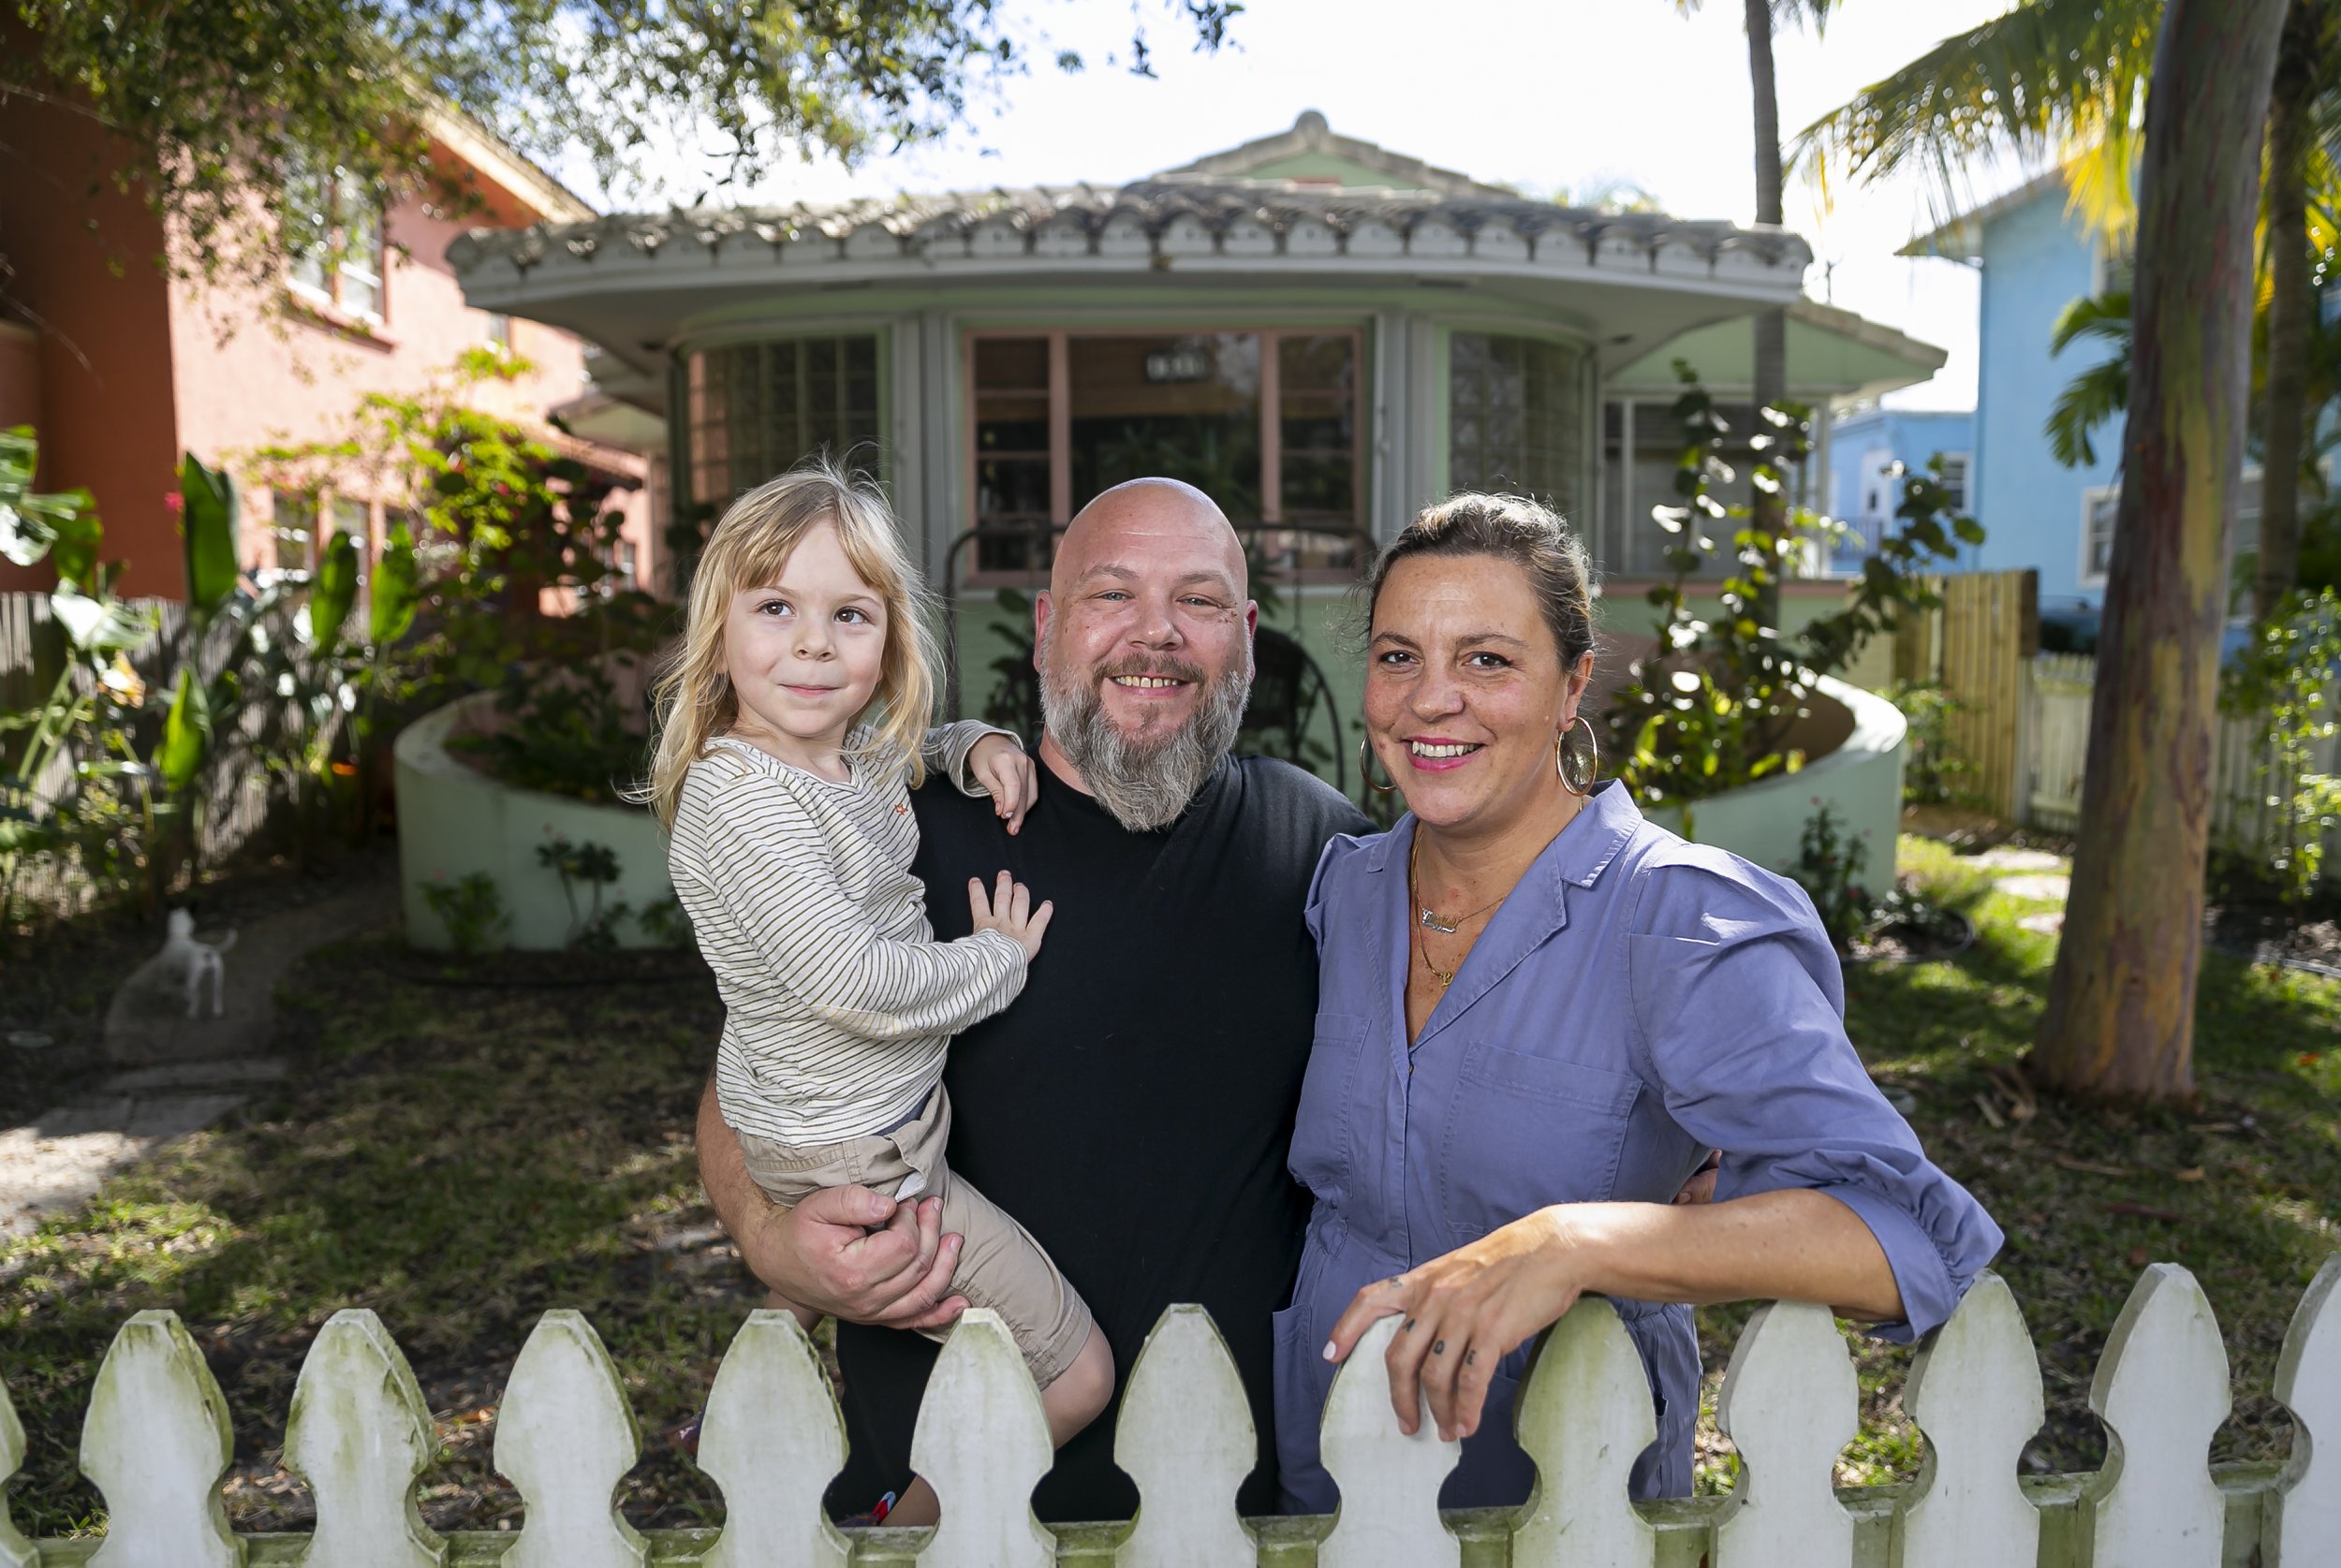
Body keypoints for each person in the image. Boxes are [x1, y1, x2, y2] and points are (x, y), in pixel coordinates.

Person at [1274, 492, 2004, 1510]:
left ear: (1572, 685)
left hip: (1564, 1488)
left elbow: (1897, 1236)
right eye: (1398, 656)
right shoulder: (1339, 892)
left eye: (1487, 659)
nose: (1431, 699)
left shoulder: (1677, 919)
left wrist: (1574, 1240)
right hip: (1325, 1472)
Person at [695, 476, 1375, 1521]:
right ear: (1050, 625)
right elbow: (745, 1074)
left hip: (1237, 1513)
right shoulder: (900, 826)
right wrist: (768, 1238)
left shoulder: (1317, 846)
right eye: (1112, 595)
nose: (1154, 635)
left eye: (1196, 601)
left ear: (1242, 635)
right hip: (947, 1517)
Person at [646, 462, 1115, 1527]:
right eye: (775, 608)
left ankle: (739, 1402)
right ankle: (900, 1530)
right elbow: (858, 984)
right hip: (865, 1151)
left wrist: (973, 747)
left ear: (889, 639)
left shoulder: (826, 755)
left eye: (847, 615)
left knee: (818, 1280)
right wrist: (994, 958)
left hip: (814, 1105)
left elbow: (893, 756)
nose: (812, 644)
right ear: (717, 627)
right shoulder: (739, 798)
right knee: (1076, 1374)